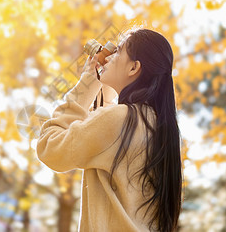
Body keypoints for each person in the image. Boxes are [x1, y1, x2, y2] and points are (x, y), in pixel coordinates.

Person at [37, 29, 183, 232]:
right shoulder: (156, 125)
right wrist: (103, 86)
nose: (110, 56)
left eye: (118, 51)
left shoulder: (119, 120)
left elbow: (50, 148)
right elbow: (103, 136)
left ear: (134, 67)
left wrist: (86, 85)